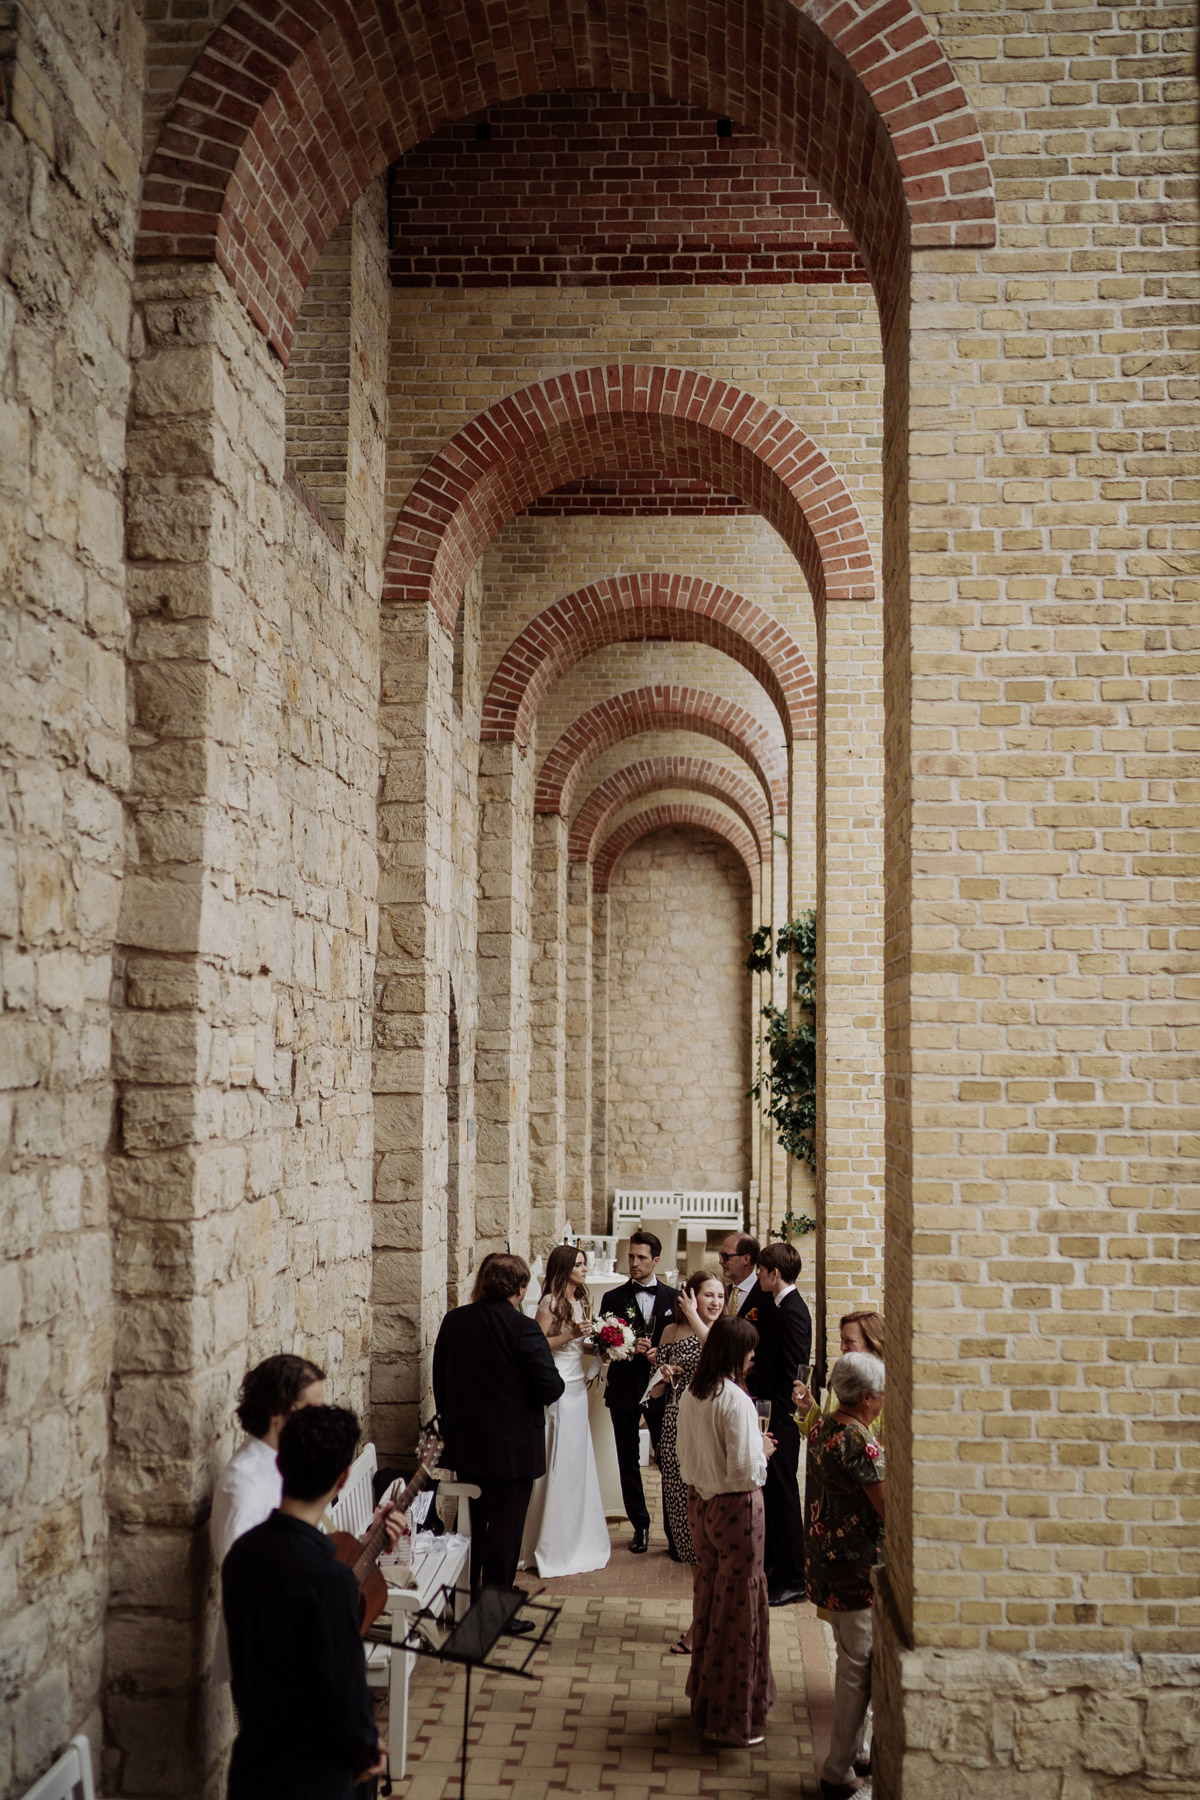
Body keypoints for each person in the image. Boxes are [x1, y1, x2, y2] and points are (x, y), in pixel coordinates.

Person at [221, 1405, 384, 1799]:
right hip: (314, 1776)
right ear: (342, 1478)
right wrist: (365, 1750)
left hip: (255, 1766)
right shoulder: (328, 1578)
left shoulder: (242, 1552)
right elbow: (344, 1683)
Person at [432, 1251, 564, 1622]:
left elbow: (440, 1379)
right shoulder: (524, 1329)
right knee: (505, 1532)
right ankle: (495, 1611)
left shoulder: (455, 1320)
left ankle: (464, 1598)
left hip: (467, 1444)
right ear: (521, 1289)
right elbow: (550, 1388)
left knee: (469, 1524)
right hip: (512, 1449)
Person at [675, 1316, 776, 1749]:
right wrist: (764, 1450)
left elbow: (683, 1457)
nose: (754, 1357)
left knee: (712, 1599)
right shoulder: (735, 1399)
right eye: (750, 1350)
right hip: (736, 1508)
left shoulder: (694, 1393)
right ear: (736, 1353)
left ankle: (707, 1704)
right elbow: (744, 1471)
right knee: (739, 1611)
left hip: (701, 1503)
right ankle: (734, 1719)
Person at [210, 1353, 325, 1682]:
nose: (319, 1422)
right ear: (278, 1414)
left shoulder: (288, 1463)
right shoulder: (243, 1484)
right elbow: (245, 1584)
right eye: (311, 1412)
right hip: (268, 1659)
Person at [805, 1352, 886, 1800]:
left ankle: (855, 1751)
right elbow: (887, 1506)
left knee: (847, 1659)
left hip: (826, 1558)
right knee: (857, 1668)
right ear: (868, 1397)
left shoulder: (824, 1425)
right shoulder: (859, 1441)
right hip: (855, 1566)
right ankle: (838, 1770)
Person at [520, 1244, 611, 1578]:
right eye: (579, 1264)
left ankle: (577, 1534)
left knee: (575, 1459)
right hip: (556, 1384)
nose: (585, 1268)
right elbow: (538, 1343)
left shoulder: (580, 1301)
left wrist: (604, 1344)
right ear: (563, 1268)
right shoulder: (550, 1302)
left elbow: (577, 1344)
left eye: (585, 1263)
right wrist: (573, 1333)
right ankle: (547, 1541)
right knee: (555, 1454)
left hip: (576, 1389)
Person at [644, 1270, 725, 1586]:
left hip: (709, 1417)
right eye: (709, 1294)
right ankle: (683, 1545)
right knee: (676, 1484)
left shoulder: (724, 1331)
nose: (716, 1301)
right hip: (675, 1417)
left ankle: (710, 1548)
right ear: (691, 1296)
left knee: (707, 1485)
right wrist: (661, 1376)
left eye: (720, 1295)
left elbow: (720, 1360)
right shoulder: (671, 1331)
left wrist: (696, 1317)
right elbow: (656, 1393)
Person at [601, 1231, 679, 1552]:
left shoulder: (675, 1298)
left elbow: (683, 1344)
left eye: (641, 1257)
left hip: (660, 1387)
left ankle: (675, 1532)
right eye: (631, 1256)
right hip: (623, 1386)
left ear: (656, 1260)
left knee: (668, 1459)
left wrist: (661, 1351)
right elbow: (603, 1347)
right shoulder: (613, 1298)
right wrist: (627, 1348)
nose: (634, 1263)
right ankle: (641, 1526)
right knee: (627, 1459)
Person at [754, 1240, 813, 1606]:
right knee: (773, 1495)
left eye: (761, 1269)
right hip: (771, 1416)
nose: (758, 1275)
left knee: (785, 1496)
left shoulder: (792, 1311)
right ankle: (776, 1565)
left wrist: (769, 1423)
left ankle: (794, 1578)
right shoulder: (778, 1304)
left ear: (775, 1273)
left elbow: (793, 1373)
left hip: (780, 1421)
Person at [793, 1310, 886, 1443]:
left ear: (872, 1344)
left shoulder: (886, 1389)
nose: (842, 1347)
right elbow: (826, 1436)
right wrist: (808, 1407)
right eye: (842, 1339)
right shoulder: (843, 1378)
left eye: (849, 1341)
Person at [717, 1232, 765, 1325]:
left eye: (726, 1256)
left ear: (746, 1259)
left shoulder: (767, 1294)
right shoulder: (724, 1292)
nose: (721, 1261)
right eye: (721, 1255)